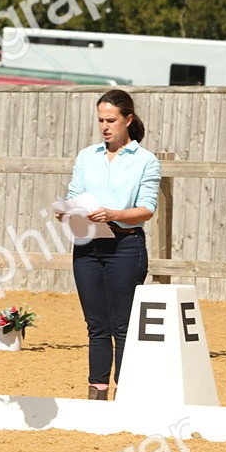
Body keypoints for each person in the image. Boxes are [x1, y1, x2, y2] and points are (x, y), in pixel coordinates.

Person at [56, 89, 161, 400]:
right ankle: (97, 391)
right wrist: (66, 210)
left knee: (123, 325)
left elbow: (147, 208)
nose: (105, 126)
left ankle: (126, 393)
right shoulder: (87, 156)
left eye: (111, 120)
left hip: (126, 247)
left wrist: (114, 214)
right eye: (100, 119)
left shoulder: (146, 161)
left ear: (128, 120)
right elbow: (74, 193)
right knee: (96, 325)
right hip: (88, 245)